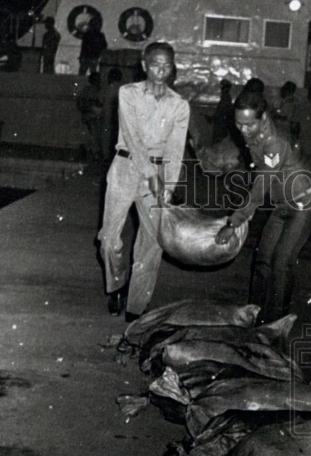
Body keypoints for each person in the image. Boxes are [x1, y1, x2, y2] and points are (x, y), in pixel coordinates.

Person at [98, 41, 190, 319]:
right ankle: (116, 284)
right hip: (126, 167)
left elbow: (176, 149)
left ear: (173, 68)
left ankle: (136, 306)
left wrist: (169, 187)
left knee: (152, 243)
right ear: (143, 65)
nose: (160, 70)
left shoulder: (180, 105)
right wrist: (152, 177)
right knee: (109, 238)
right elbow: (133, 137)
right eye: (155, 64)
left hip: (159, 176)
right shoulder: (128, 94)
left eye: (166, 65)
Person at [215, 89, 311, 324]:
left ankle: (276, 326)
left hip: (304, 203)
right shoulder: (254, 135)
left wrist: (233, 223)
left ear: (263, 118)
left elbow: (259, 187)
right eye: (238, 123)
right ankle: (252, 317)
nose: (243, 129)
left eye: (248, 124)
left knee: (281, 262)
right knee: (262, 259)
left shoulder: (274, 143)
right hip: (282, 204)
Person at [77, 70, 104, 160]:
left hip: (91, 116)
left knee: (93, 136)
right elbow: (82, 104)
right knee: (94, 136)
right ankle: (93, 152)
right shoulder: (90, 91)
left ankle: (90, 151)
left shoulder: (92, 90)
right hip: (91, 116)